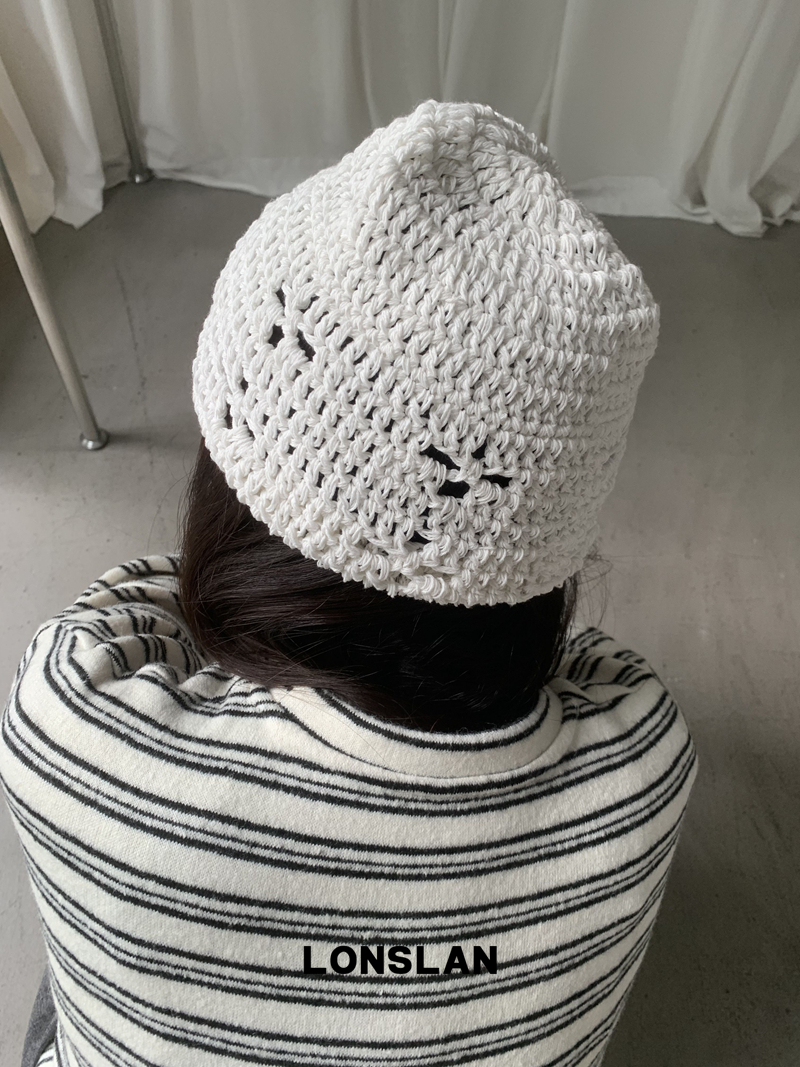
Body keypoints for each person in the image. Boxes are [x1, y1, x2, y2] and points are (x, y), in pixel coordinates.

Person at [2, 99, 696, 1067]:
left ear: (232, 481)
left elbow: (137, 601)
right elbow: (590, 664)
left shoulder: (72, 716)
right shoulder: (645, 767)